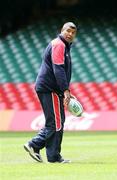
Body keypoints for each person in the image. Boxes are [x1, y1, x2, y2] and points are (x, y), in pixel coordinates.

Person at [24, 22, 77, 163]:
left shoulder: (63, 46)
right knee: (56, 123)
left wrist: (66, 91)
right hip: (50, 88)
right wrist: (65, 90)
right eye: (68, 31)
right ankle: (50, 154)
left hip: (50, 88)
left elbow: (60, 71)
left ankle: (35, 147)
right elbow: (58, 69)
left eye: (73, 32)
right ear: (62, 30)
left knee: (55, 122)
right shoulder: (59, 44)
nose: (70, 34)